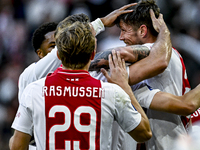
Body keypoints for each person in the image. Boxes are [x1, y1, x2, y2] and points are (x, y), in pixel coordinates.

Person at [9, 16, 152, 150]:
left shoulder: (34, 90)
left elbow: (17, 146)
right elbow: (144, 134)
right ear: (93, 54)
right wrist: (125, 88)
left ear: (58, 55)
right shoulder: (111, 92)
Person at [113, 0, 191, 149]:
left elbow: (117, 53)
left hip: (169, 143)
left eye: (124, 30)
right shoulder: (168, 51)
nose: (121, 37)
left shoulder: (152, 51)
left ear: (142, 31)